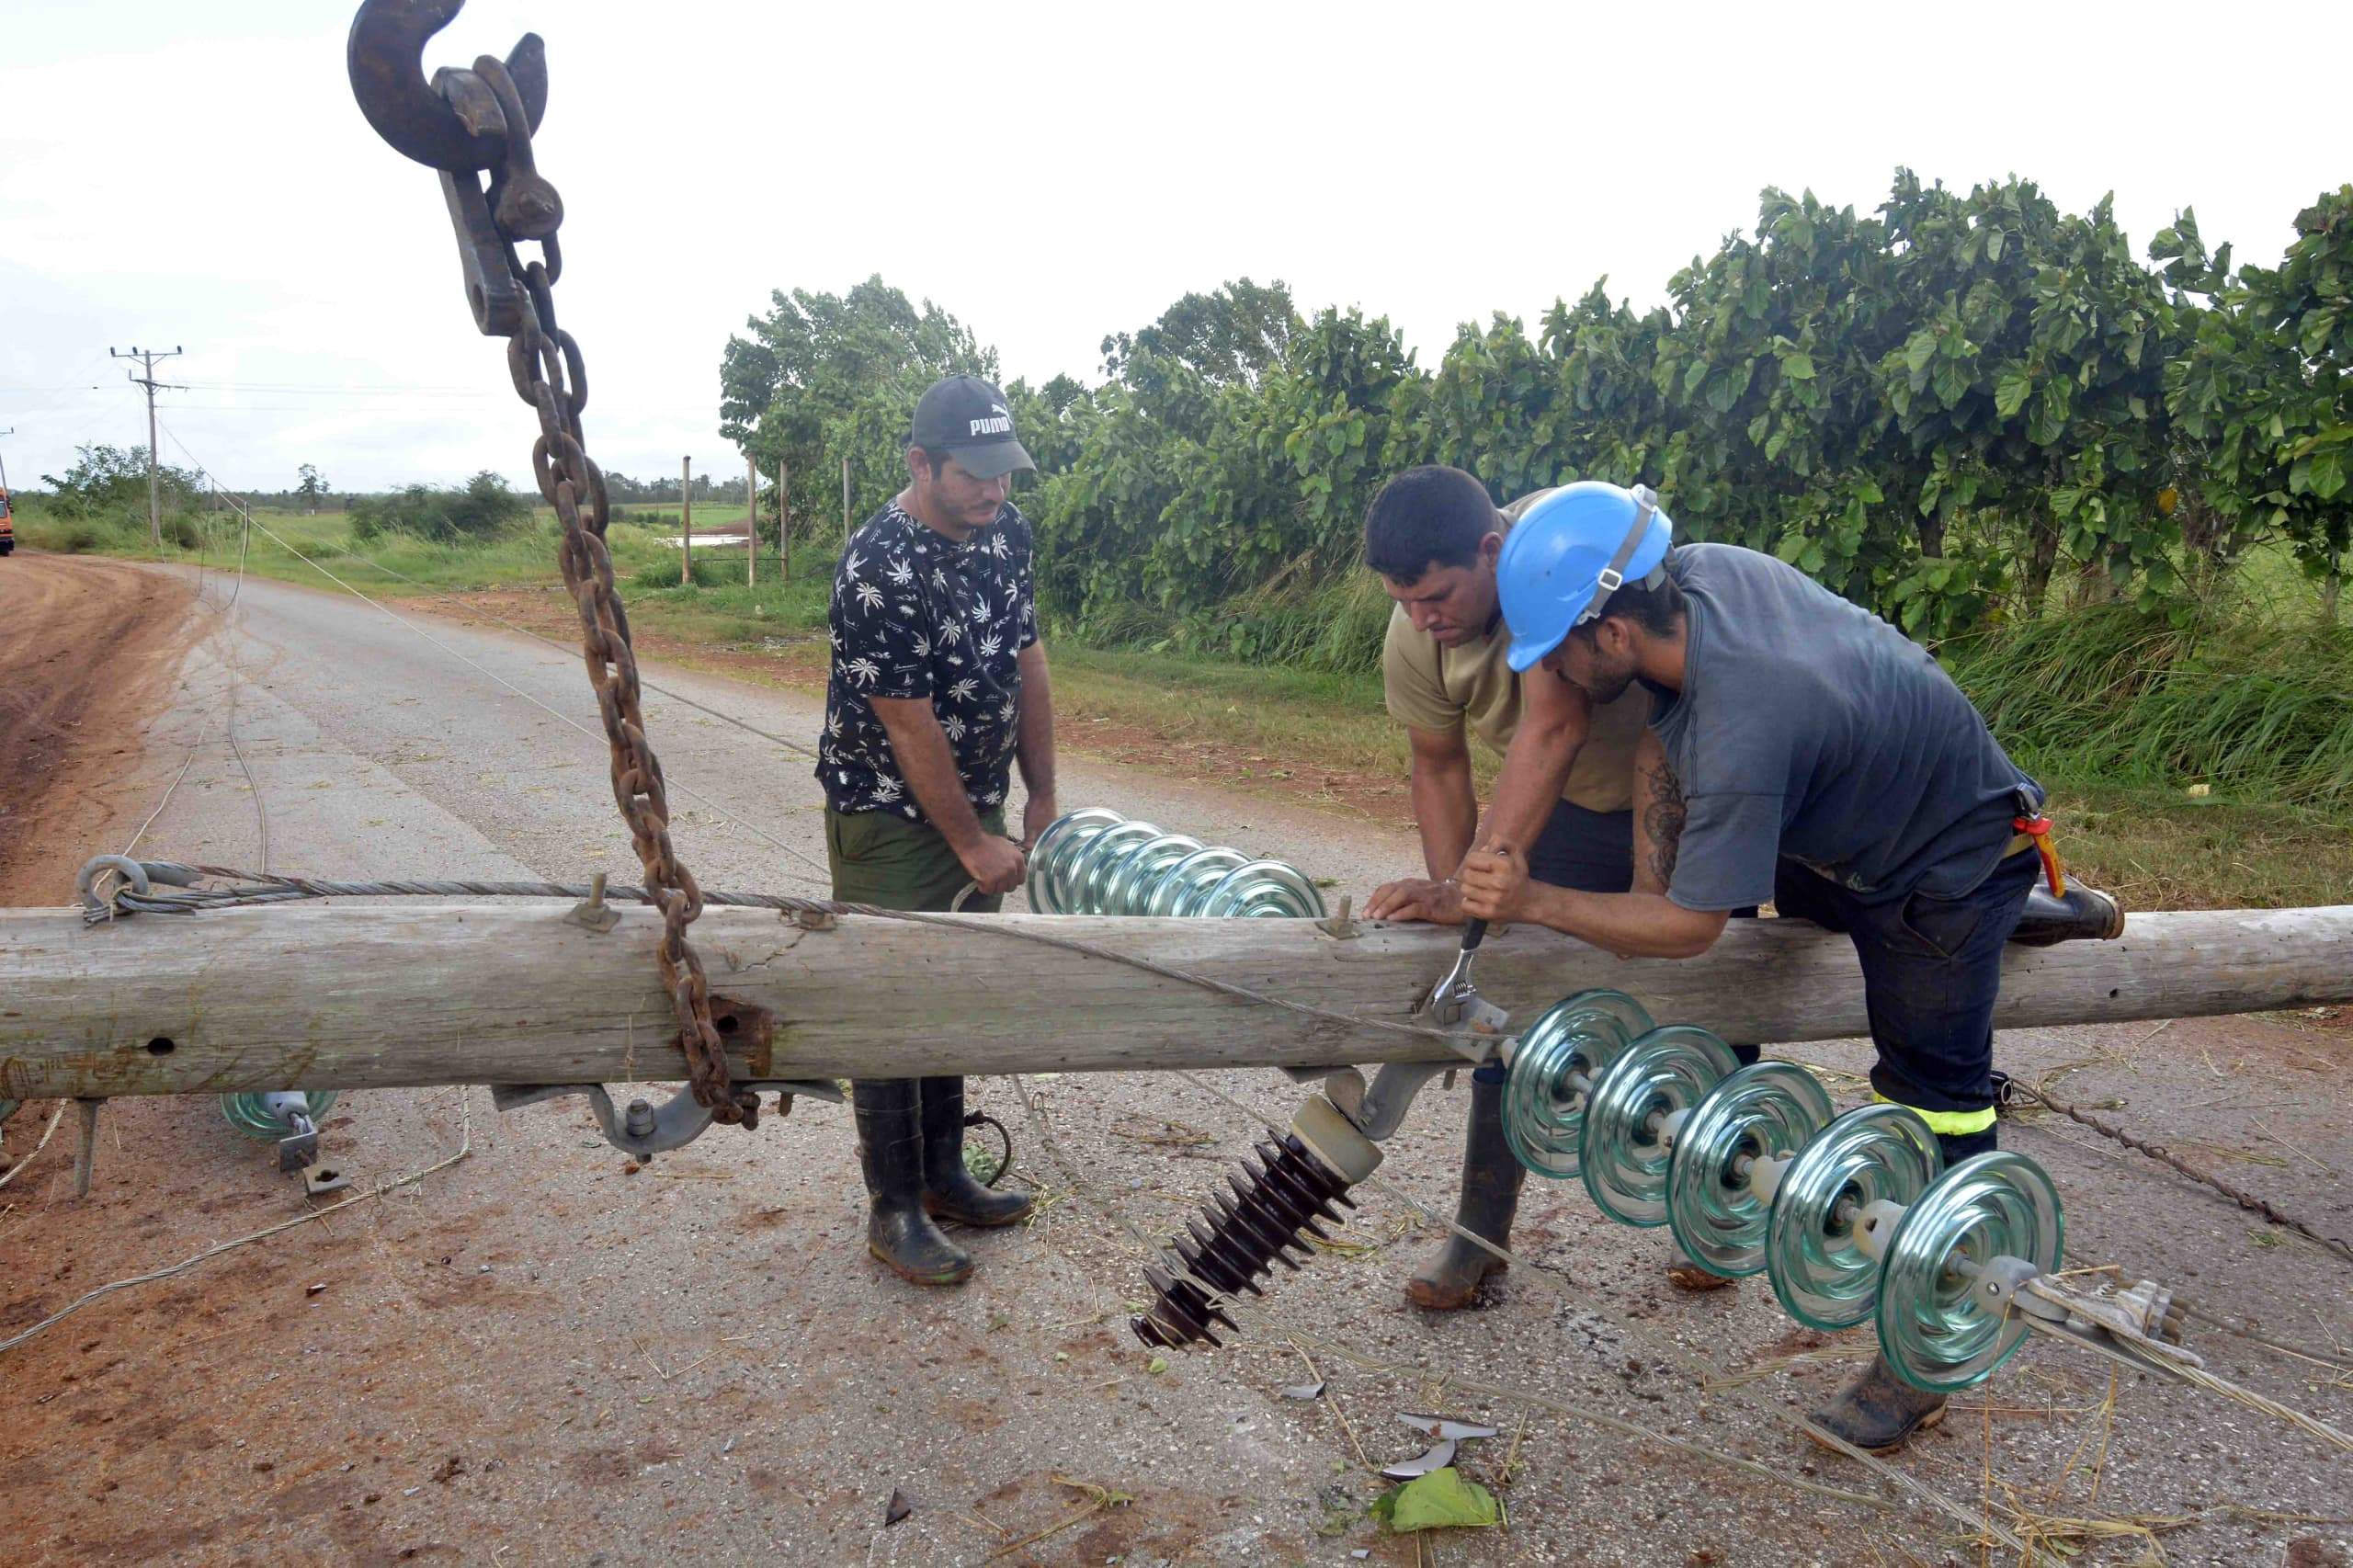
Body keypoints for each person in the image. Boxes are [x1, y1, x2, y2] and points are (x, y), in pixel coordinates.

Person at [1456, 479, 2097, 1453]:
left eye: (1558, 652)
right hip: (1853, 817)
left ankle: (1924, 1354)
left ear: (1613, 634)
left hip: (1937, 860)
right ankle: (2023, 902)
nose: (1552, 675)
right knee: (1810, 918)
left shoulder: (1743, 726)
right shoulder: (1705, 573)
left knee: (1933, 1093)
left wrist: (1534, 900)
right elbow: (1670, 804)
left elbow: (1686, 928)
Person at [1358, 466, 1745, 1308]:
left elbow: (1556, 722)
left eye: (1436, 594)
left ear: (1494, 550)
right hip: (1561, 805)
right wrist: (1457, 892)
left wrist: (1476, 883)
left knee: (1713, 994)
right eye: (1403, 598)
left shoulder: (1559, 545)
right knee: (1509, 1002)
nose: (1423, 616)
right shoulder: (1415, 629)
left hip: (1688, 787)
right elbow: (1437, 763)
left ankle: (1716, 1215)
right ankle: (1478, 1236)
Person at [818, 374, 1057, 1286]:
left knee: (949, 991)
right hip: (887, 814)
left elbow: (1029, 660)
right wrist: (969, 842)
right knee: (889, 1005)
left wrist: (1039, 794)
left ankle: (946, 1172)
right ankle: (894, 1208)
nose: (994, 492)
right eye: (974, 475)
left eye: (1004, 473)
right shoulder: (878, 566)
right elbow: (906, 722)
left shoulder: (1007, 533)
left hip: (978, 800)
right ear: (920, 463)